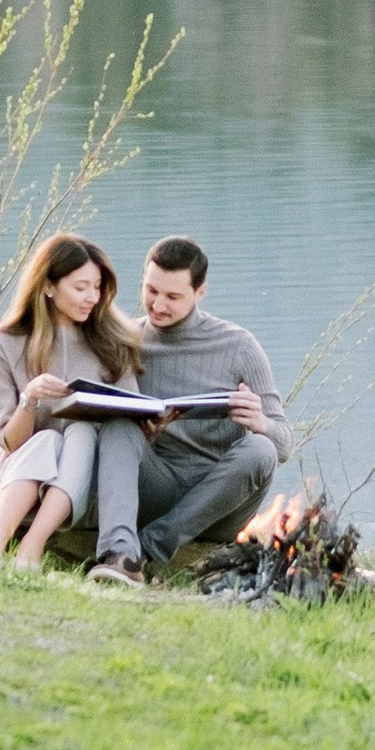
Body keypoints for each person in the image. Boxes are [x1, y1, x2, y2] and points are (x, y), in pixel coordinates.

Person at [84, 234, 288, 588]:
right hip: (159, 484)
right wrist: (145, 430)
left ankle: (145, 550)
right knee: (118, 427)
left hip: (221, 501)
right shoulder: (127, 339)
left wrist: (261, 423)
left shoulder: (239, 346)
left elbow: (284, 445)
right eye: (151, 291)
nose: (158, 305)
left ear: (200, 292)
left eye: (173, 296)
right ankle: (118, 555)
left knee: (262, 448)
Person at [0, 231, 141, 572]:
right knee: (47, 438)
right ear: (48, 286)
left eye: (97, 287)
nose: (92, 297)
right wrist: (29, 400)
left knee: (80, 431)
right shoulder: (3, 343)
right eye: (81, 287)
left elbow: (133, 414)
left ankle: (28, 548)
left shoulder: (113, 341)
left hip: (86, 491)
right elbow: (9, 441)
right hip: (23, 482)